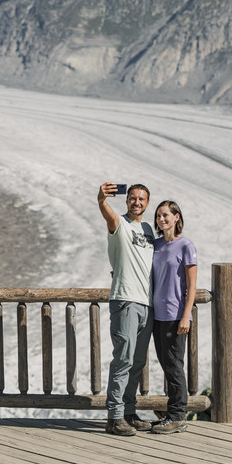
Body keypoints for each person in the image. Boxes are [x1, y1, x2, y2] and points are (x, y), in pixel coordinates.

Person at [97, 181, 155, 436]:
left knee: (137, 361)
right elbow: (106, 212)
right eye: (133, 198)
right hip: (126, 300)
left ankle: (129, 412)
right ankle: (115, 416)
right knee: (123, 358)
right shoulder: (118, 224)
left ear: (147, 203)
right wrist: (100, 200)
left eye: (141, 199)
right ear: (127, 200)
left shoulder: (149, 229)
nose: (137, 202)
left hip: (146, 303)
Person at [150, 199, 197, 434]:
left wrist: (186, 316)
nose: (161, 219)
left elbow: (192, 285)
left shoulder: (186, 246)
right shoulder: (156, 245)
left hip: (174, 314)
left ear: (176, 217)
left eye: (166, 215)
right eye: (159, 216)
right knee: (166, 364)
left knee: (174, 366)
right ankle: (172, 415)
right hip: (156, 315)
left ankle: (178, 416)